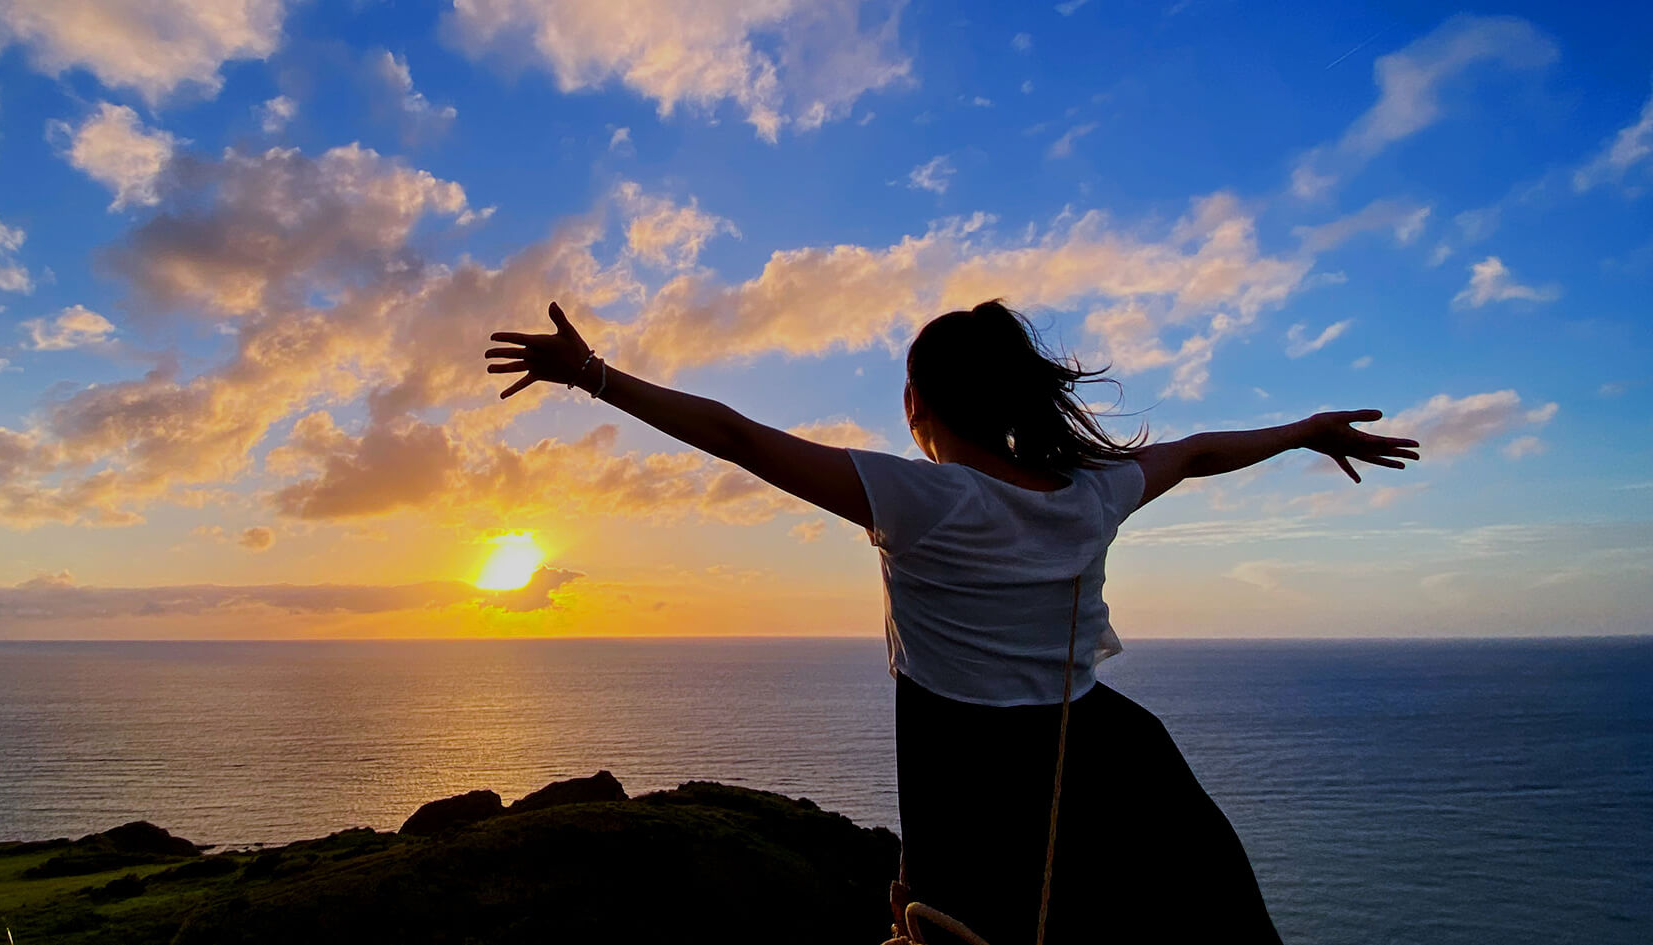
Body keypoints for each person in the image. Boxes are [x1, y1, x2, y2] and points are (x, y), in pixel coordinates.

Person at [485, 299, 1419, 943]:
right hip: (1117, 762)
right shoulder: (1093, 493)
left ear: (917, 404)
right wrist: (1305, 429)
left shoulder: (921, 499)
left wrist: (594, 375)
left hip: (976, 778)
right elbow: (1205, 449)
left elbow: (735, 436)